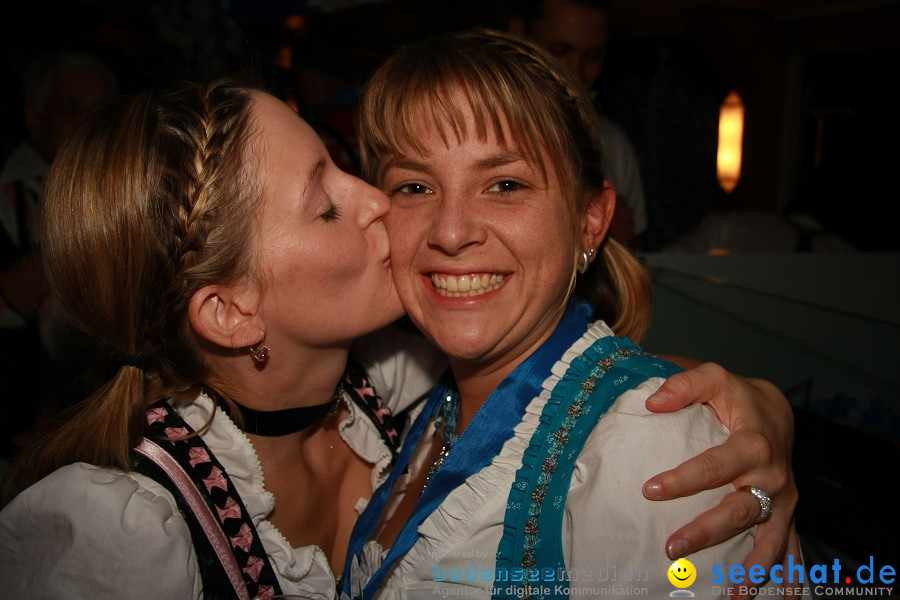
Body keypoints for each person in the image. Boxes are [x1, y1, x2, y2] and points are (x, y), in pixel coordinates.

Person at [0, 79, 795, 599]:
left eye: (349, 167)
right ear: (231, 312)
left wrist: (752, 409)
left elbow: (569, 387)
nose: (380, 203)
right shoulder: (122, 535)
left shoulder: (388, 382)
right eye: (327, 203)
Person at [340, 29, 801, 599]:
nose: (452, 232)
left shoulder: (653, 453)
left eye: (505, 184)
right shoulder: (430, 399)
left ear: (590, 220)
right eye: (414, 186)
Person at [0, 50, 117, 459]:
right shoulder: (9, 193)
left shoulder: (137, 187)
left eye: (102, 110)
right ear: (35, 118)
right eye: (71, 107)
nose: (90, 123)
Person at [508, 0, 647, 248]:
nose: (576, 71)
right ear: (518, 33)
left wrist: (617, 243)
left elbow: (641, 262)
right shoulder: (480, 127)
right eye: (560, 50)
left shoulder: (614, 144)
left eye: (592, 55)